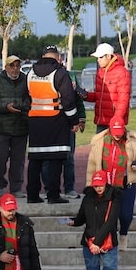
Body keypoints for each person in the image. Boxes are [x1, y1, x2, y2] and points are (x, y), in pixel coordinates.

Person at [26, 46, 80, 204]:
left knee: (35, 160)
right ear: (57, 58)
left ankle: (32, 195)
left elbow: (25, 97)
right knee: (55, 159)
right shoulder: (60, 73)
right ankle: (53, 195)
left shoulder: (30, 73)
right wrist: (74, 121)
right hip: (56, 121)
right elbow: (68, 101)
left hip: (35, 121)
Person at [66, 170, 121, 270]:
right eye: (95, 185)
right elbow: (82, 217)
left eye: (100, 185)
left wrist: (97, 242)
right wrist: (73, 222)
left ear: (105, 183)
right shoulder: (88, 199)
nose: (98, 188)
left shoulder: (114, 198)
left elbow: (111, 222)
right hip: (89, 245)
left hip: (107, 244)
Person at [86, 118, 136, 244]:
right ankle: (112, 241)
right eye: (115, 131)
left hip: (126, 183)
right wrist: (90, 185)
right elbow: (92, 165)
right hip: (106, 185)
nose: (117, 135)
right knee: (108, 217)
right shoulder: (99, 143)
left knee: (126, 215)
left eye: (120, 131)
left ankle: (123, 233)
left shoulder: (132, 142)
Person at [0, 55, 31, 197]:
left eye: (17, 66)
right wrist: (6, 107)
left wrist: (21, 108)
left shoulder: (26, 80)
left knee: (18, 161)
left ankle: (16, 188)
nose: (15, 69)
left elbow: (31, 100)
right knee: (0, 158)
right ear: (6, 67)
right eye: (12, 66)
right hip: (2, 129)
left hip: (21, 127)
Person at [82, 41, 130, 131]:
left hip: (114, 122)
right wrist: (85, 95)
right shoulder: (100, 72)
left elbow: (123, 100)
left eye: (100, 57)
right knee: (98, 145)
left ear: (108, 56)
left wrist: (117, 119)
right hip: (101, 121)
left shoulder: (122, 72)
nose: (98, 60)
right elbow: (99, 96)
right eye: (97, 57)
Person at [61, 68, 88, 199]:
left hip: (69, 124)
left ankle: (69, 188)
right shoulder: (44, 76)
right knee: (50, 158)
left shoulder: (71, 76)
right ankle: (51, 190)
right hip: (51, 124)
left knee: (69, 157)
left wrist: (81, 119)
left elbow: (78, 99)